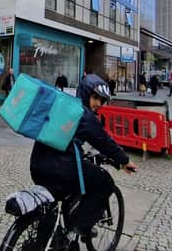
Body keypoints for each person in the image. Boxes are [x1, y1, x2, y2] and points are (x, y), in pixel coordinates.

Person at [29, 74, 138, 239]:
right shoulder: (84, 114)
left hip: (37, 166)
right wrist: (124, 160)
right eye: (95, 98)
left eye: (102, 101)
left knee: (55, 198)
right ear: (85, 94)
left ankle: (47, 238)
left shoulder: (61, 106)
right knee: (105, 182)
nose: (98, 104)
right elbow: (104, 141)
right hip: (62, 170)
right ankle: (81, 225)